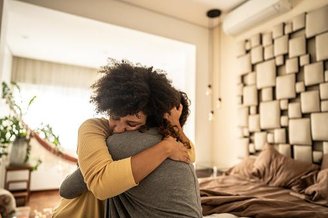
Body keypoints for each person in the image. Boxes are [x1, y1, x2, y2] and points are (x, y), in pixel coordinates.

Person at [52, 60, 201, 217]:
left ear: (150, 120)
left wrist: (174, 124)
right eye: (114, 117)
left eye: (131, 123)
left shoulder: (129, 142)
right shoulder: (92, 129)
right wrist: (166, 148)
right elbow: (81, 188)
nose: (118, 128)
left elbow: (189, 155)